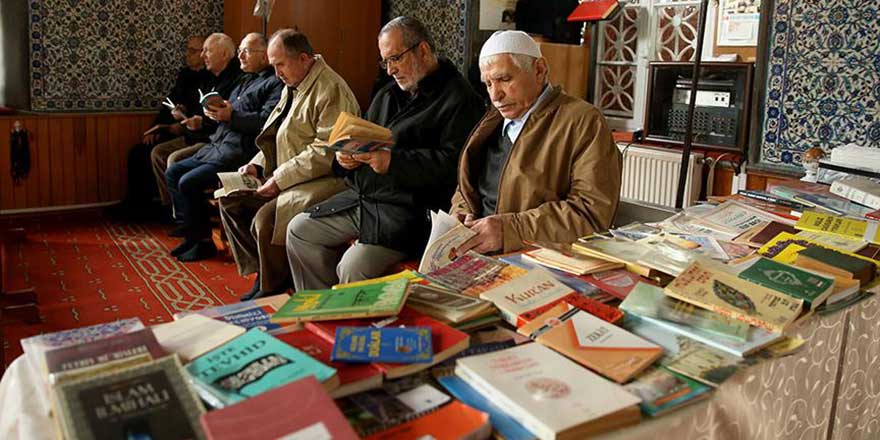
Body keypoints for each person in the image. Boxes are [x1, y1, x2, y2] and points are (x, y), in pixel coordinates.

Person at [286, 16, 484, 290]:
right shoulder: (388, 94)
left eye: (395, 59)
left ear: (423, 50)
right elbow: (361, 135)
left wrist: (393, 162)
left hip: (410, 212)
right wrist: (346, 159)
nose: (390, 70)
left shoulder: (460, 99)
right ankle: (323, 309)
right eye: (385, 61)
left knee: (353, 265)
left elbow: (455, 167)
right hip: (366, 198)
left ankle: (355, 326)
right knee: (299, 230)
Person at [450, 30, 621, 255]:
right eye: (488, 84)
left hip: (535, 259)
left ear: (539, 70)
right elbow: (466, 188)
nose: (495, 95)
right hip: (477, 254)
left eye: (504, 79)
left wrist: (510, 230)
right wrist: (460, 214)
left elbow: (591, 214)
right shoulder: (491, 121)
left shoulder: (582, 121)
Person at [219, 29, 359, 300]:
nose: (277, 73)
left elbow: (325, 151)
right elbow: (276, 132)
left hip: (326, 179)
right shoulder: (293, 83)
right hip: (291, 173)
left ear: (304, 58)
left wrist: (279, 178)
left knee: (265, 219)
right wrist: (256, 166)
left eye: (280, 64)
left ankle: (271, 285)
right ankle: (266, 271)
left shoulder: (331, 88)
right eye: (273, 65)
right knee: (231, 201)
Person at [165, 33, 283, 262]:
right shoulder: (244, 79)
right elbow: (227, 111)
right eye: (239, 49)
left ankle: (204, 242)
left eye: (246, 51)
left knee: (188, 181)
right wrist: (215, 113)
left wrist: (231, 115)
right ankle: (191, 237)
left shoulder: (273, 83)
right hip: (218, 145)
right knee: (173, 171)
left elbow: (266, 122)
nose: (240, 55)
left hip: (239, 152)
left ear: (264, 56)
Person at [150, 33, 244, 214]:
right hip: (198, 134)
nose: (202, 55)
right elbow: (200, 109)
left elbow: (225, 119)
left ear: (224, 55)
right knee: (158, 152)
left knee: (174, 160)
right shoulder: (209, 77)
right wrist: (186, 115)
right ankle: (173, 211)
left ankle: (183, 216)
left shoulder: (236, 80)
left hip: (213, 140)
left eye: (207, 51)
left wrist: (200, 123)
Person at [122, 35, 211, 215]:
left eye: (193, 51)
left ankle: (169, 208)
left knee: (157, 154)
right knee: (138, 152)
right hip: (174, 128)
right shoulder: (185, 74)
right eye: (188, 49)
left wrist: (182, 122)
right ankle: (139, 203)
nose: (188, 54)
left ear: (203, 53)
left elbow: (203, 112)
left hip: (194, 133)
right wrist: (155, 127)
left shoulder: (208, 77)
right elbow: (169, 102)